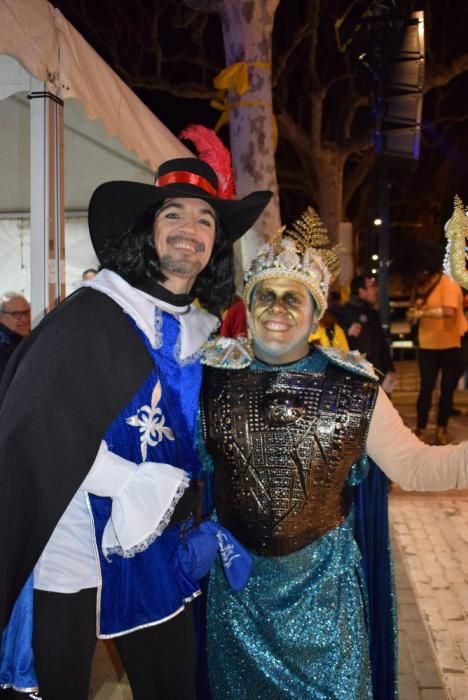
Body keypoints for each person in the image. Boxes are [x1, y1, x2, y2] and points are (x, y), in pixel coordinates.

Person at [0, 157, 271, 700]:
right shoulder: (95, 313)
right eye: (174, 213)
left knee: (170, 680)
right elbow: (33, 426)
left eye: (204, 220)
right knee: (62, 685)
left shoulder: (208, 335)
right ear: (151, 228)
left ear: (215, 242)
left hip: (156, 540)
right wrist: (127, 483)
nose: (188, 230)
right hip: (71, 534)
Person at [198, 207, 468, 700]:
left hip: (324, 595)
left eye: (292, 298)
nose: (277, 309)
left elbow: (415, 466)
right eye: (266, 296)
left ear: (316, 312)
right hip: (238, 598)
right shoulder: (210, 378)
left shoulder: (355, 388)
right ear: (249, 303)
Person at [407, 240, 466, 445]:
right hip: (427, 345)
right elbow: (413, 314)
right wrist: (413, 315)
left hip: (450, 345)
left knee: (447, 391)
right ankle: (421, 429)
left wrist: (422, 312)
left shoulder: (448, 282)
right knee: (425, 390)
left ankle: (442, 429)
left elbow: (450, 312)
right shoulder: (425, 286)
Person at [334, 273, 396, 393]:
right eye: (372, 286)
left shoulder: (372, 313)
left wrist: (390, 369)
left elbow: (382, 343)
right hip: (355, 378)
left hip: (378, 375)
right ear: (361, 291)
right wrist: (347, 333)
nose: (376, 289)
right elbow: (335, 346)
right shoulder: (342, 314)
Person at [0, 292, 30, 381]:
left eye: (27, 312)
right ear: (1, 316)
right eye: (17, 314)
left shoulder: (31, 338)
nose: (24, 319)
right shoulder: (3, 348)